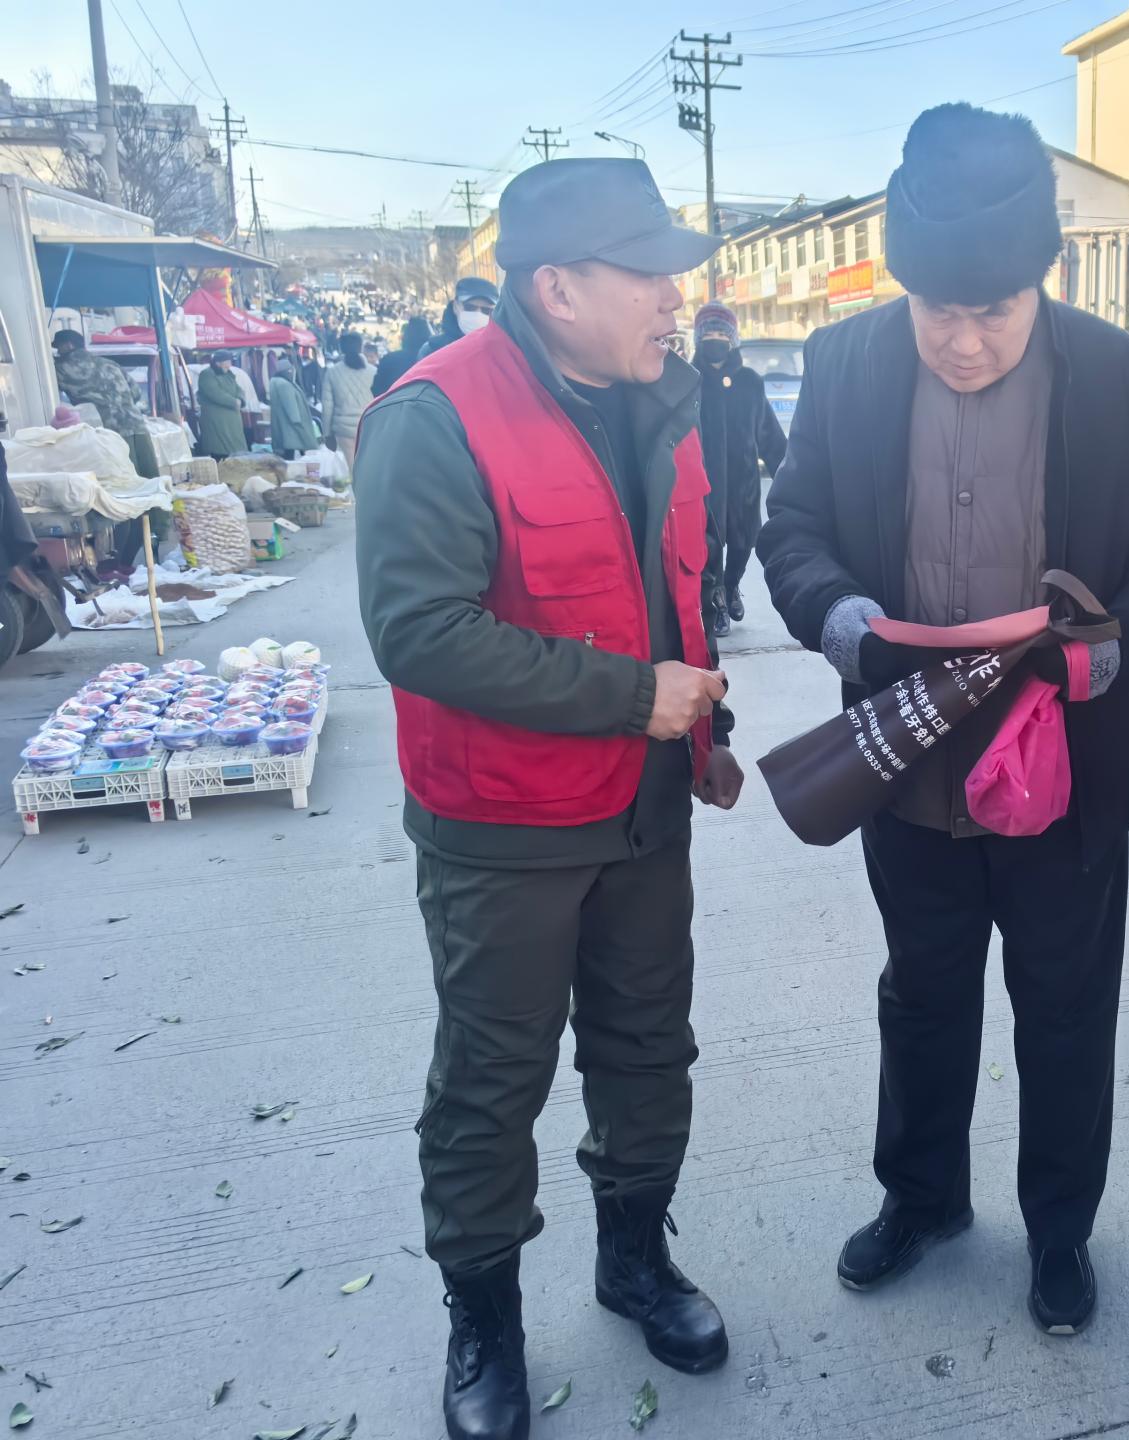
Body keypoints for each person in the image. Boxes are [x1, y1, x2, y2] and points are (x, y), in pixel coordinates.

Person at [758, 104, 1129, 1337]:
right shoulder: (847, 367)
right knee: (922, 993)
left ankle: (1060, 1232)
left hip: (1066, 773)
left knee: (1065, 1008)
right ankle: (922, 1199)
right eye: (938, 312)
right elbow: (793, 530)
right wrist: (844, 621)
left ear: (1042, 277)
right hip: (906, 765)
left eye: (994, 312)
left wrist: (1106, 657)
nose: (963, 341)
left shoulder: (1122, 381)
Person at [354, 156, 744, 1440]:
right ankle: (485, 1322)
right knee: (491, 1082)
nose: (676, 299)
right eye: (650, 275)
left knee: (647, 1049)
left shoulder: (663, 401)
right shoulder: (436, 414)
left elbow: (671, 593)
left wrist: (701, 729)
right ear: (557, 287)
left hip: (646, 813)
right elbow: (420, 631)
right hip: (504, 830)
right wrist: (634, 697)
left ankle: (634, 1259)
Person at [690, 301, 786, 636]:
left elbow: (770, 435)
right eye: (709, 334)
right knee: (709, 547)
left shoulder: (750, 382)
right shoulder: (688, 382)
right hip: (704, 485)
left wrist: (790, 476)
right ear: (699, 339)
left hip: (743, 483)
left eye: (722, 334)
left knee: (744, 544)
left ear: (732, 339)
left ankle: (731, 587)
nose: (715, 339)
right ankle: (716, 599)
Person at [50, 329, 160, 477]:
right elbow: (136, 393)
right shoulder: (108, 363)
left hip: (109, 433)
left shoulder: (61, 369)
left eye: (59, 347)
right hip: (137, 427)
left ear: (69, 345)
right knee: (152, 480)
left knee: (126, 481)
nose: (58, 352)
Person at [320, 333, 376, 473]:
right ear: (360, 347)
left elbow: (327, 406)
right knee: (368, 468)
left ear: (341, 348)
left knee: (351, 470)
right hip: (368, 427)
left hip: (343, 430)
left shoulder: (332, 372)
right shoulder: (373, 371)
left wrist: (327, 434)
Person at [420, 277, 501, 362]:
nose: (478, 314)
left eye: (486, 310)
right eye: (470, 307)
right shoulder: (432, 349)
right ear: (456, 306)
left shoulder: (499, 352)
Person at [195, 350, 248, 459]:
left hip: (233, 422)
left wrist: (240, 399)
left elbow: (238, 389)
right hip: (217, 422)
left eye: (230, 362)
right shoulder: (207, 374)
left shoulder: (229, 374)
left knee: (236, 452)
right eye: (227, 362)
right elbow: (214, 393)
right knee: (220, 452)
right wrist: (234, 402)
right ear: (218, 363)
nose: (229, 365)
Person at [268, 355, 318, 459]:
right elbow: (291, 406)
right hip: (293, 425)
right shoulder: (284, 385)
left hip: (284, 425)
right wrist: (297, 421)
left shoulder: (276, 382)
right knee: (304, 453)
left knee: (287, 454)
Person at [374, 316, 434, 396]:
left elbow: (376, 389)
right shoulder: (433, 361)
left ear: (405, 337)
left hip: (393, 402)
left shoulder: (389, 359)